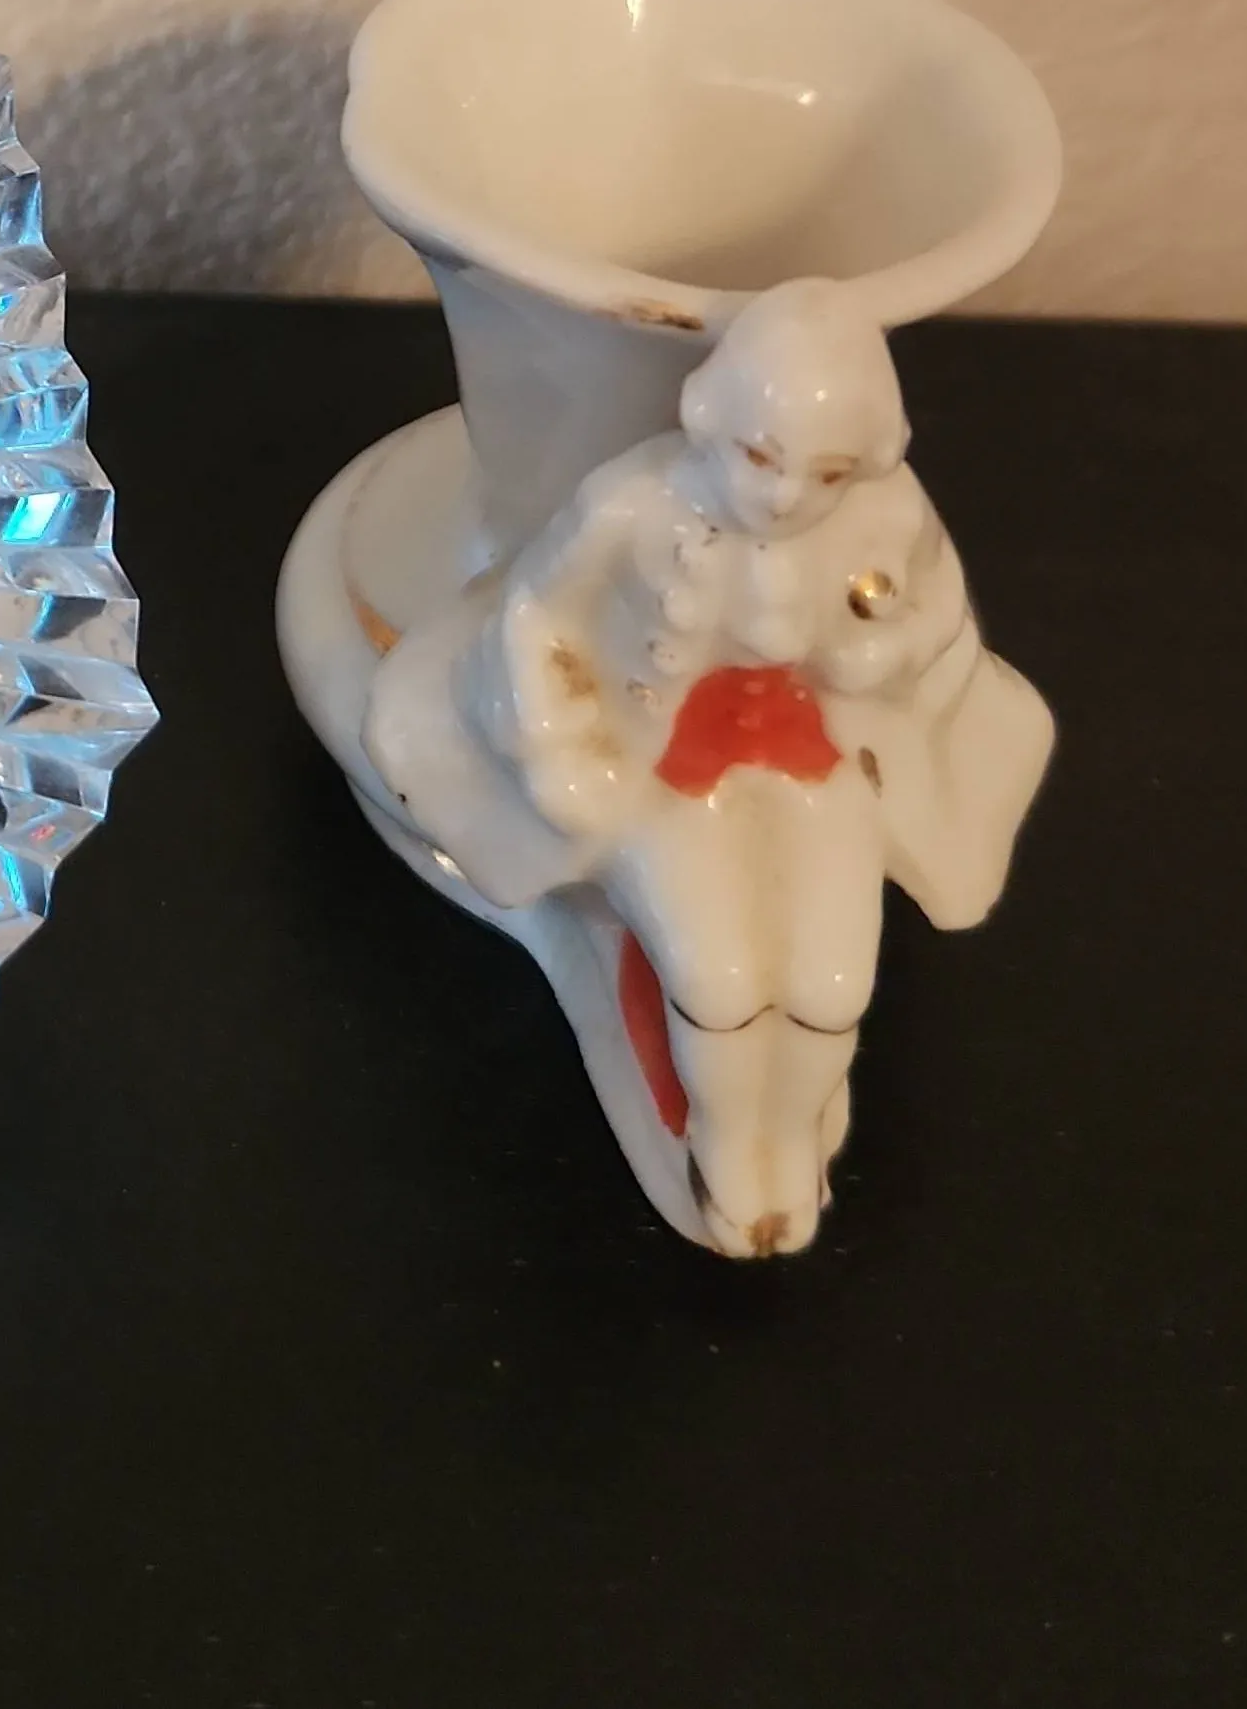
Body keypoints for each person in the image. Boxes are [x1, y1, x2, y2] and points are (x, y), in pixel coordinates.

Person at [365, 278, 1051, 1255]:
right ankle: (727, 1143)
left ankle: (793, 1139)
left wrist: (880, 648)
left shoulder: (887, 515)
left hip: (812, 754)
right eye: (761, 458)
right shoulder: (634, 501)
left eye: (825, 475)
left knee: (831, 975)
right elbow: (536, 612)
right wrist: (560, 747)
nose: (785, 496)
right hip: (664, 764)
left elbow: (936, 619)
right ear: (710, 418)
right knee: (719, 973)